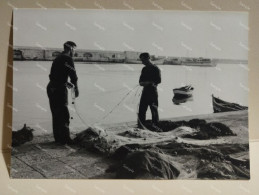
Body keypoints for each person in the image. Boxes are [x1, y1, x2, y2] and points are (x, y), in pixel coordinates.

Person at [46, 41, 79, 144]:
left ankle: (58, 138)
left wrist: (65, 82)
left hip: (51, 87)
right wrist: (76, 88)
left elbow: (54, 75)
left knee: (56, 114)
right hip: (59, 89)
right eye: (74, 50)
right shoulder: (68, 58)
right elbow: (73, 75)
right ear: (71, 49)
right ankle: (65, 139)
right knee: (64, 114)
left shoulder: (58, 57)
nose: (74, 52)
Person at [138, 52, 161, 128]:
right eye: (141, 60)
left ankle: (155, 126)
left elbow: (158, 81)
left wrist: (148, 83)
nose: (142, 62)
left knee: (154, 110)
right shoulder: (144, 69)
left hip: (153, 92)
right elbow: (140, 82)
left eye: (143, 60)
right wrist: (146, 83)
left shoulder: (156, 68)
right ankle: (141, 126)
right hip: (145, 92)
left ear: (148, 58)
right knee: (141, 110)